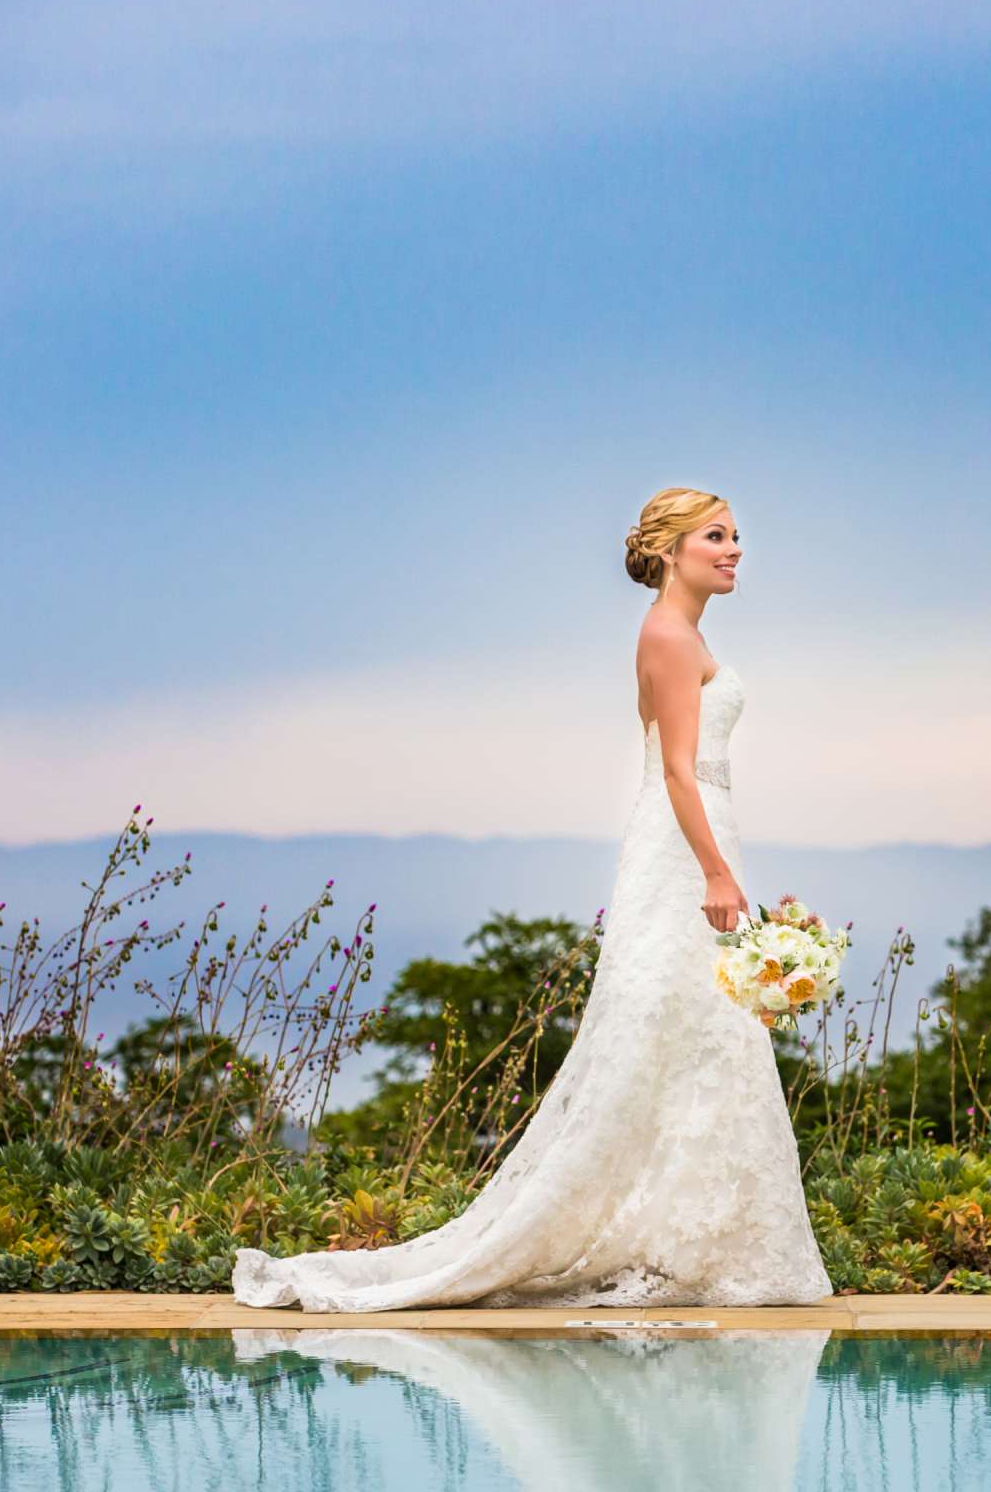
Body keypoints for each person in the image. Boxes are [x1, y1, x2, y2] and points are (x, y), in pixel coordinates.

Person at [233, 487, 836, 1310]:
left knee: (705, 1033)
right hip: (682, 847)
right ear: (670, 550)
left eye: (737, 537)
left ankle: (701, 1239)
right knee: (666, 1024)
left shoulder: (688, 633)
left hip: (700, 840)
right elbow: (675, 769)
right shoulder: (664, 632)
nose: (735, 550)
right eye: (717, 536)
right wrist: (716, 874)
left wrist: (724, 864)